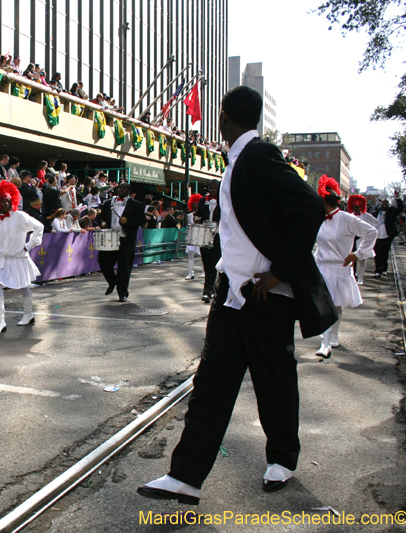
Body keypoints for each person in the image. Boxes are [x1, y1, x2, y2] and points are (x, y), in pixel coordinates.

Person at [137, 86, 337, 505]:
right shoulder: (239, 160)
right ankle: (186, 476)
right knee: (211, 384)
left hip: (265, 295)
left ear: (225, 116)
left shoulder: (259, 155)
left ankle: (283, 458)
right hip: (232, 293)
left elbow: (310, 208)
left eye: (219, 115)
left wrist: (277, 271)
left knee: (274, 381)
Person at [314, 178, 377, 358]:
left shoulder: (347, 218)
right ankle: (325, 342)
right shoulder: (319, 218)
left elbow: (372, 232)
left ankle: (332, 336)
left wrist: (358, 254)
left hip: (340, 267)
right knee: (325, 305)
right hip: (322, 266)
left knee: (337, 303)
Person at [0, 181, 44, 334]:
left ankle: (28, 314)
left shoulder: (20, 216)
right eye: (2, 201)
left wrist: (30, 244)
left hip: (18, 257)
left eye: (7, 200)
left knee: (24, 285)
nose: (5, 203)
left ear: (12, 201)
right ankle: (0, 322)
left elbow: (39, 226)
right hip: (0, 258)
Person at [98, 182, 146, 302]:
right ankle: (112, 281)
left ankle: (122, 293)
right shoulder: (109, 202)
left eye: (124, 188)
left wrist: (128, 220)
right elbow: (101, 217)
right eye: (120, 188)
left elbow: (142, 220)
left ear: (129, 191)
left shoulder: (136, 204)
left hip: (126, 238)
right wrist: (103, 223)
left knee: (124, 267)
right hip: (110, 238)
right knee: (103, 262)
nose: (121, 190)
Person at [346, 194, 379, 285]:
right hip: (352, 240)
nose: (356, 209)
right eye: (354, 207)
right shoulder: (349, 216)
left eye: (358, 206)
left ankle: (361, 277)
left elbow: (377, 223)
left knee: (362, 259)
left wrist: (370, 233)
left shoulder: (367, 216)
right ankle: (353, 276)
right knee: (352, 259)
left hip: (362, 240)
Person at [197, 181, 221, 302]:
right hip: (205, 235)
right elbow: (199, 215)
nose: (212, 191)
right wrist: (197, 219)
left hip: (218, 235)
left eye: (215, 188)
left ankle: (208, 291)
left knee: (213, 264)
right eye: (210, 188)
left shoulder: (224, 200)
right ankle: (210, 288)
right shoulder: (203, 200)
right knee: (206, 264)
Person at [372, 198, 401, 277]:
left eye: (386, 203)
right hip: (377, 236)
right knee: (377, 253)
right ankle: (378, 270)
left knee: (385, 253)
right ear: (380, 203)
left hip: (387, 235)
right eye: (383, 202)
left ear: (388, 204)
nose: (384, 204)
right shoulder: (376, 213)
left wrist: (397, 198)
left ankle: (384, 269)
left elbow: (400, 209)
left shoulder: (391, 211)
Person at [185, 193, 204, 280]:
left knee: (202, 255)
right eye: (194, 204)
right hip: (192, 236)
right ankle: (190, 272)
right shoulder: (189, 216)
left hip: (201, 236)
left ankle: (204, 271)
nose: (195, 205)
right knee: (190, 254)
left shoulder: (203, 215)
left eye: (197, 203)